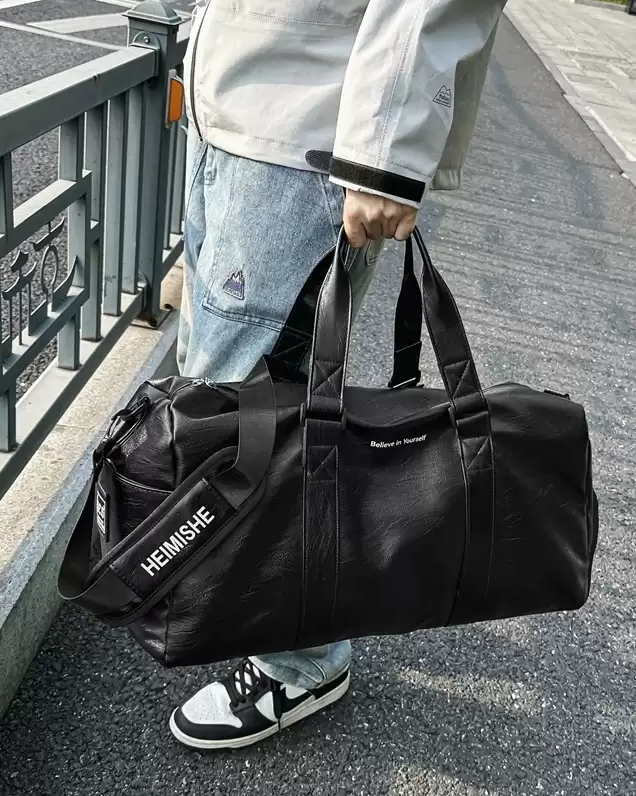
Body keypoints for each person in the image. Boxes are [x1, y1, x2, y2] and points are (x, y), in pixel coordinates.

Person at [170, 0, 505, 751]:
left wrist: (387, 148)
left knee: (260, 425)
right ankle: (258, 606)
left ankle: (302, 660)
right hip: (240, 105)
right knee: (229, 405)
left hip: (312, 123)